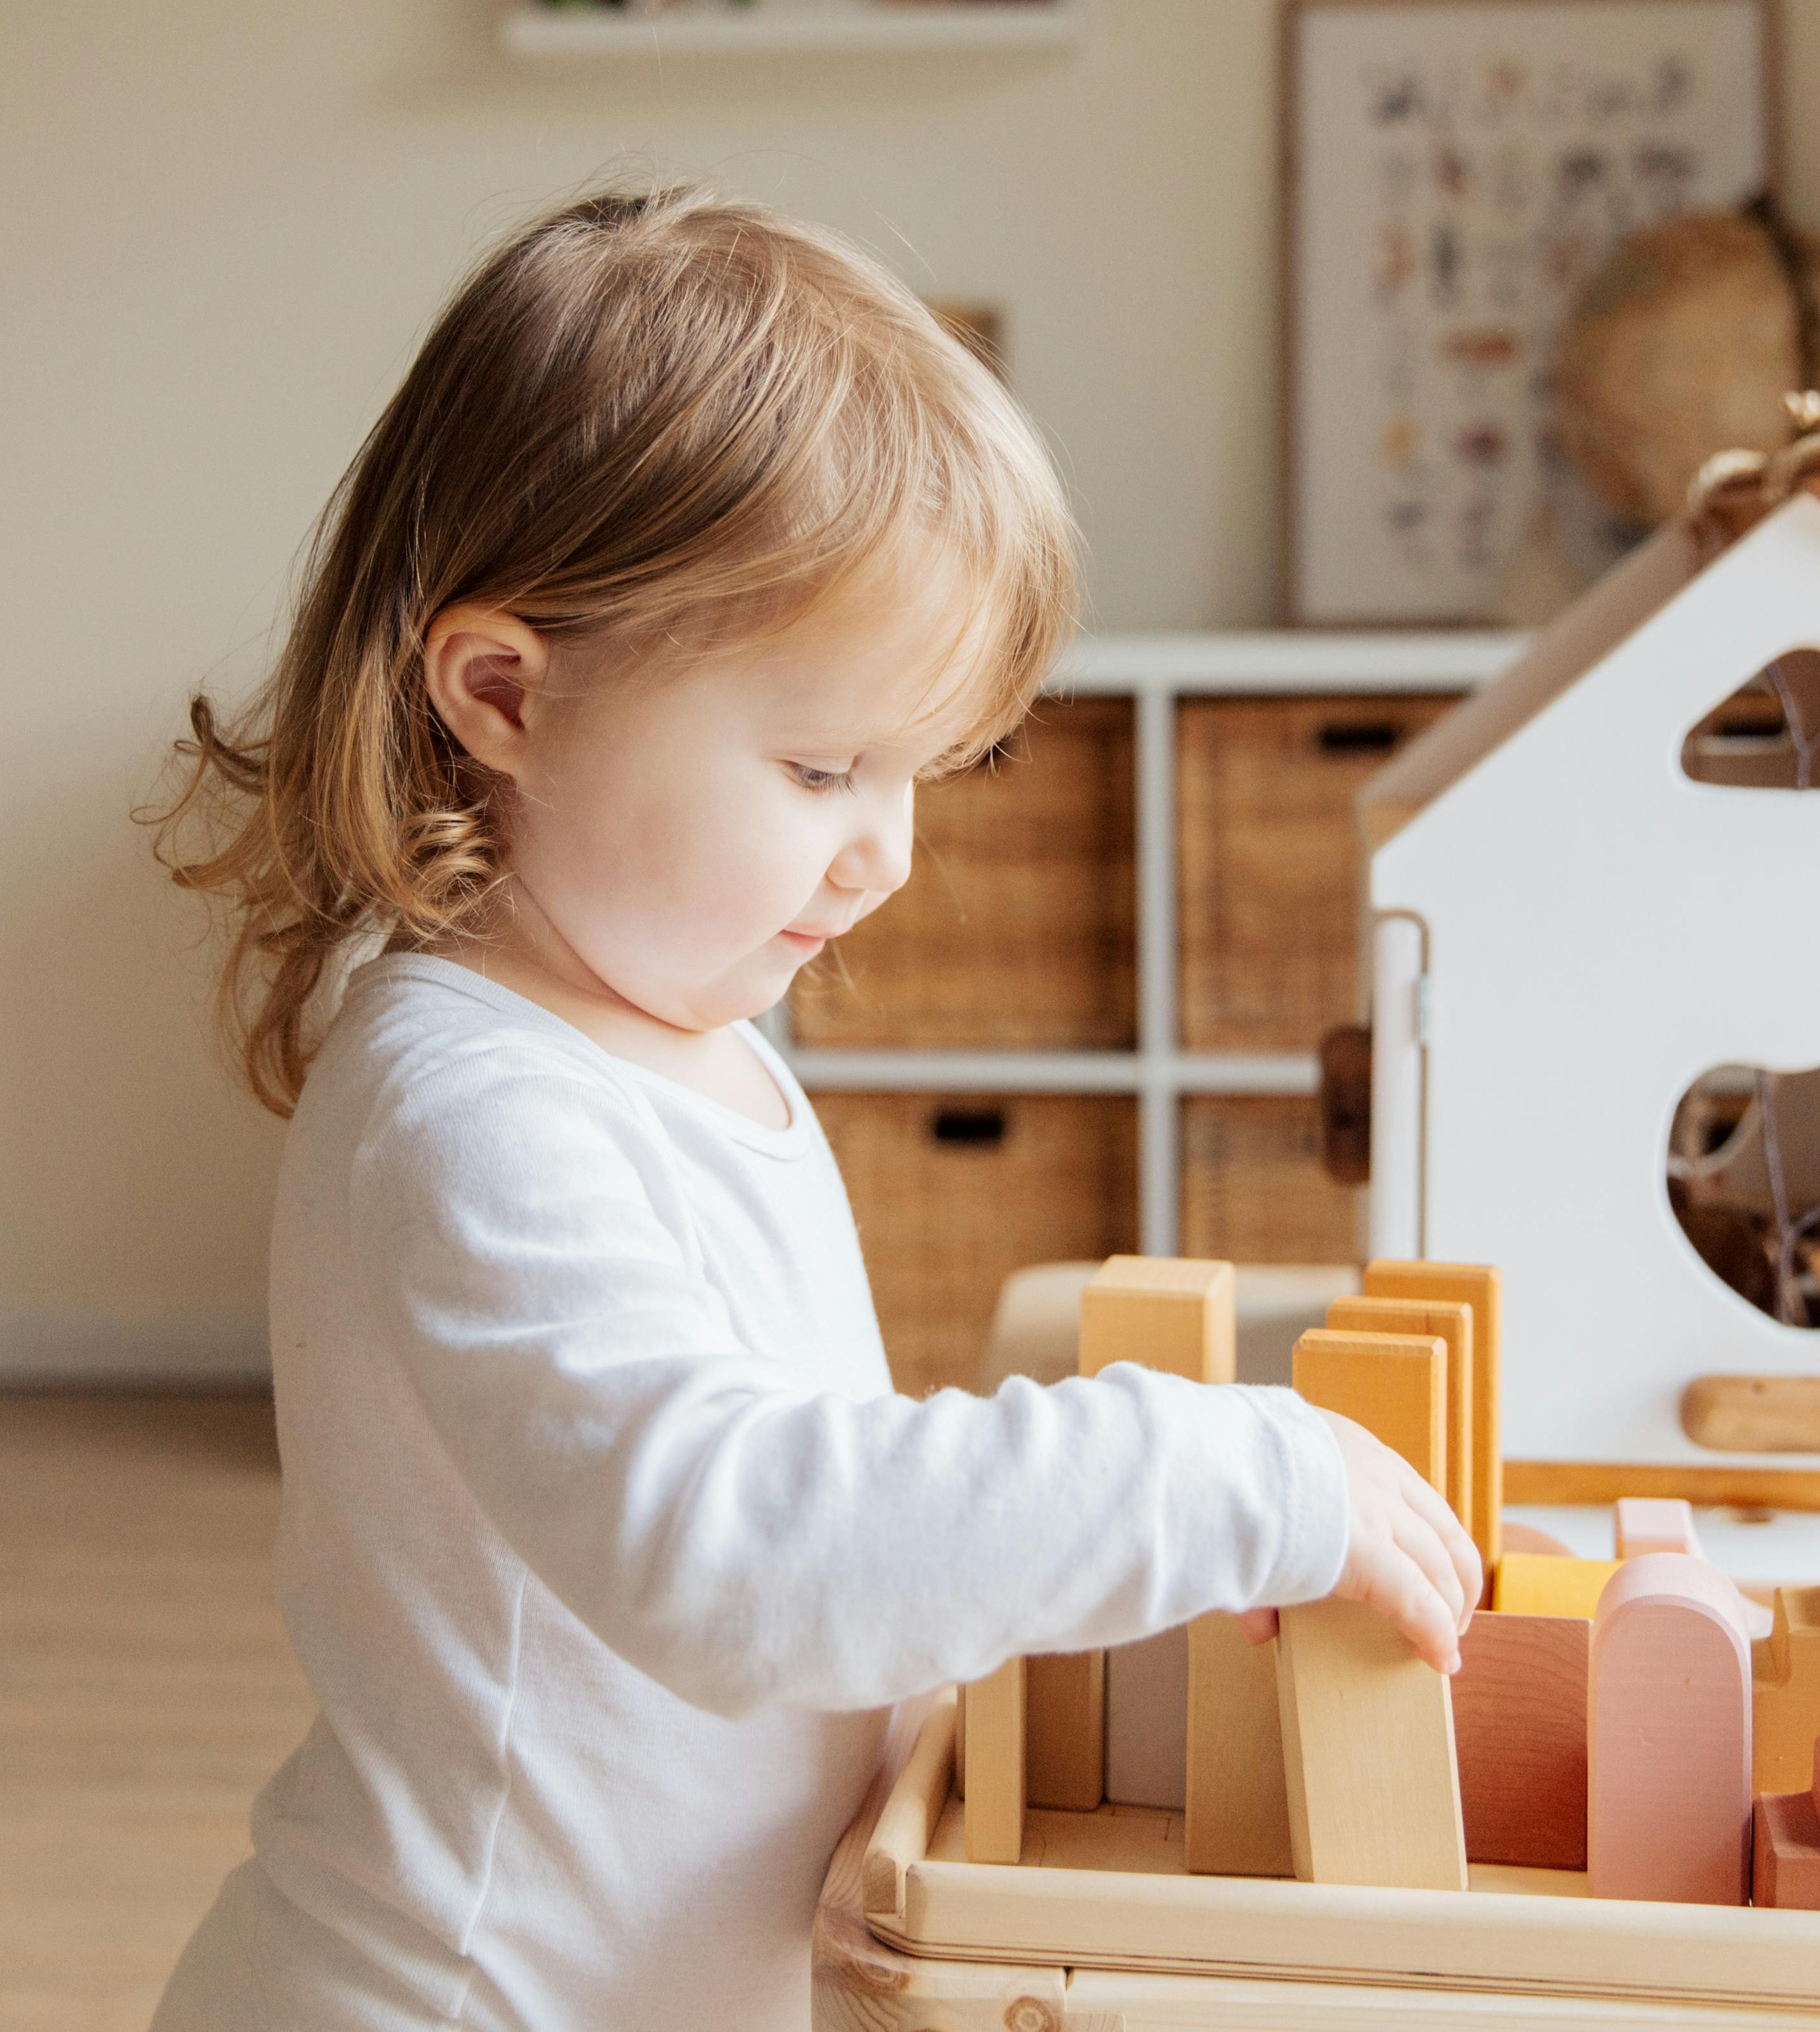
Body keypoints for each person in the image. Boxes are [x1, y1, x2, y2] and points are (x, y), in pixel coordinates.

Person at [144, 185, 1477, 2031]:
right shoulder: (468, 1105)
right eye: (825, 765)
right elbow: (733, 1549)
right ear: (505, 693)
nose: (887, 853)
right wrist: (1206, 1469)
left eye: (921, 772)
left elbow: (816, 1497)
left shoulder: (691, 1042)